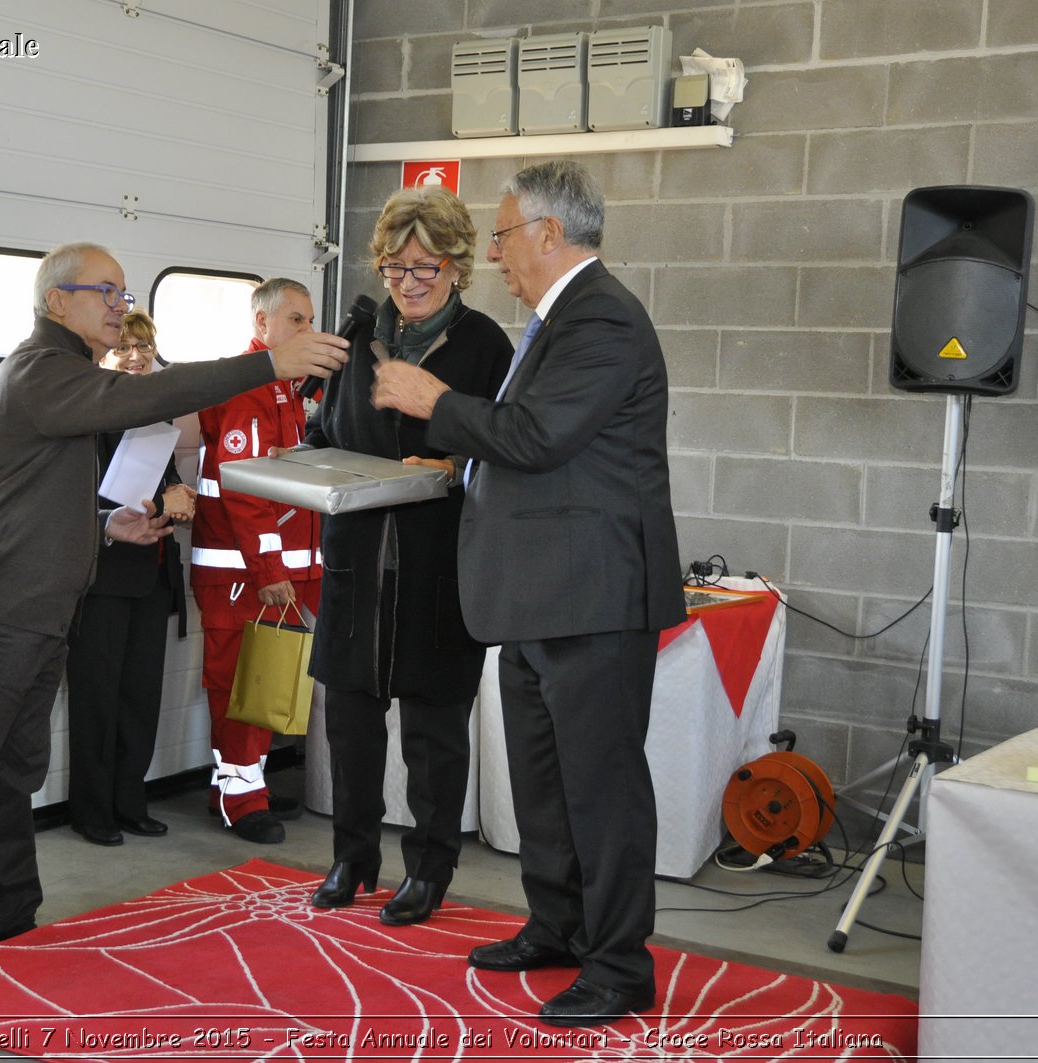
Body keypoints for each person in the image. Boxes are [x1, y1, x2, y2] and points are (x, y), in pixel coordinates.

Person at [0, 242, 347, 975]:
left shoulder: (66, 379)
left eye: (123, 293)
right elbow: (143, 398)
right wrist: (269, 362)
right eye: (103, 291)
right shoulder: (42, 370)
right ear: (55, 300)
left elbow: (32, 493)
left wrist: (106, 526)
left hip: (34, 615)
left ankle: (8, 931)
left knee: (9, 783)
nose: (118, 305)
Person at [371, 161, 683, 1025]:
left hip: (593, 598)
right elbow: (530, 447)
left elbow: (542, 435)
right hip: (542, 596)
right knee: (545, 785)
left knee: (601, 790)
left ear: (548, 233)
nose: (498, 253)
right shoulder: (557, 321)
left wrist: (434, 399)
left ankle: (619, 965)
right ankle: (557, 925)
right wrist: (462, 457)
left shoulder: (604, 319)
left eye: (504, 235)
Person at [305, 187, 511, 926]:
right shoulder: (355, 341)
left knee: (433, 732)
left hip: (438, 569)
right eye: (396, 266)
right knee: (350, 727)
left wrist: (453, 468)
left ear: (458, 267)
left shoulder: (488, 346)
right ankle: (351, 857)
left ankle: (429, 868)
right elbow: (327, 433)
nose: (410, 281)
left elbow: (506, 450)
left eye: (427, 266)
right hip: (357, 563)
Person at [189, 278, 324, 844]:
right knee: (238, 683)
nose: (308, 331)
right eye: (296, 321)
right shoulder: (248, 390)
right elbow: (245, 491)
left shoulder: (286, 390)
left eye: (310, 319)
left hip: (288, 571)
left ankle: (257, 784)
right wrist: (271, 573)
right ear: (261, 326)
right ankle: (239, 798)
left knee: (273, 680)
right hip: (242, 577)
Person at [63, 309, 196, 848]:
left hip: (152, 576)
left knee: (141, 697)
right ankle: (92, 810)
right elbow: (81, 502)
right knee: (97, 697)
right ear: (104, 357)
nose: (138, 356)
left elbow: (169, 489)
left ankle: (129, 801)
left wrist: (183, 501)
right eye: (126, 347)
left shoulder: (157, 420)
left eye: (146, 347)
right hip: (102, 580)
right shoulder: (85, 421)